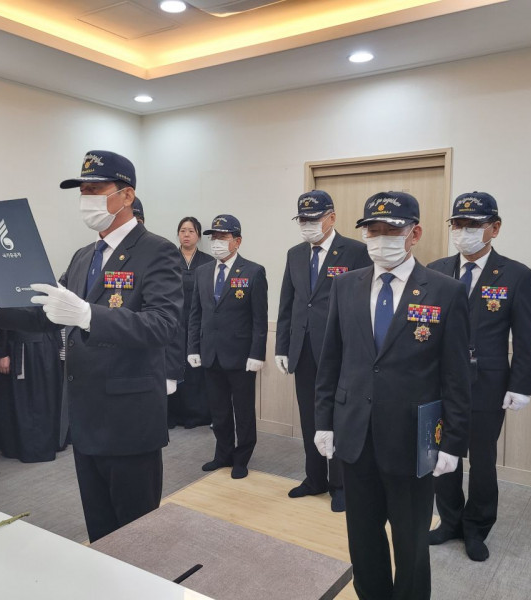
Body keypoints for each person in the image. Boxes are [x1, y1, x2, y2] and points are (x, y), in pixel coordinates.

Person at [0, 150, 182, 542]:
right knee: (100, 528)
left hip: (128, 418)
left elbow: (161, 325)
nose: (86, 199)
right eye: (82, 191)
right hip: (86, 415)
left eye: (95, 189)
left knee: (137, 534)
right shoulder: (83, 257)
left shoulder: (157, 251)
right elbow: (46, 316)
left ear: (127, 195)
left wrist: (89, 314)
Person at [314, 191, 471, 600]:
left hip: (412, 441)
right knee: (363, 537)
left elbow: (456, 377)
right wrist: (323, 421)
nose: (380, 238)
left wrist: (453, 443)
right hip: (355, 435)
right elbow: (331, 361)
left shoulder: (445, 291)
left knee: (411, 541)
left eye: (391, 230)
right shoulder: (345, 285)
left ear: (414, 234)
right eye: (373, 230)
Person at [428, 191, 531, 562]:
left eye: (473, 225)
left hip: (488, 384)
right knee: (442, 454)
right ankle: (449, 520)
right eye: (457, 224)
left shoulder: (516, 274)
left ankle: (476, 527)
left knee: (482, 461)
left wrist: (520, 385)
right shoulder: (436, 269)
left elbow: (525, 335)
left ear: (495, 227)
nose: (464, 231)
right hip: (441, 383)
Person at [275, 190, 370, 512]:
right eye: (302, 219)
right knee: (309, 417)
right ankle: (314, 478)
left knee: (338, 418)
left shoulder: (355, 252)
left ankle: (339, 484)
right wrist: (282, 346)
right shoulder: (295, 254)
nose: (307, 225)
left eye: (313, 219)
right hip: (303, 349)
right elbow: (288, 302)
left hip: (340, 350)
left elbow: (363, 304)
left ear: (331, 217)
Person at [187, 214, 267, 480]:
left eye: (223, 237)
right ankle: (223, 454)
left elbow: (259, 318)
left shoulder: (253, 271)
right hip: (210, 353)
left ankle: (242, 458)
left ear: (237, 241)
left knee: (243, 411)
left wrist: (257, 353)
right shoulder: (202, 272)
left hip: (241, 356)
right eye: (214, 237)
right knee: (219, 410)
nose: (217, 242)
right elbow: (195, 314)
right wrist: (193, 348)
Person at [0, 327, 65, 463]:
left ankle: (49, 445)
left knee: (47, 400)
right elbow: (0, 322)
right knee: (25, 402)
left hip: (48, 344)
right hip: (21, 345)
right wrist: (1, 353)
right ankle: (28, 449)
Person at [168, 217, 213, 428]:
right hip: (173, 323)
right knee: (173, 366)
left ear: (198, 235)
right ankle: (172, 414)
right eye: (183, 231)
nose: (186, 235)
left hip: (198, 324)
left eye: (191, 231)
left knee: (195, 369)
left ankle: (196, 415)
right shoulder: (168, 259)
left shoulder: (207, 262)